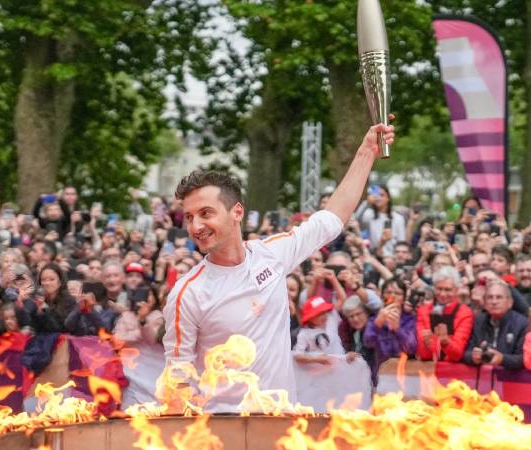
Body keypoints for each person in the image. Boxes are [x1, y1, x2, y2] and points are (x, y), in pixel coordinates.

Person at [161, 122, 395, 410]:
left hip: (281, 425)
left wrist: (366, 152)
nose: (196, 226)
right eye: (189, 217)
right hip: (220, 430)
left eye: (206, 213)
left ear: (237, 212)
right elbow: (177, 378)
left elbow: (332, 218)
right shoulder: (188, 292)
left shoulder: (271, 255)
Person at [463, 280, 527, 370]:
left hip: (510, 380)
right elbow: (464, 353)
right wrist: (472, 357)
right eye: (490, 297)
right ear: (484, 303)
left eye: (499, 297)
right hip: (482, 379)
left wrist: (502, 359)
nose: (494, 301)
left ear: (510, 302)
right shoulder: (478, 320)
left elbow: (524, 359)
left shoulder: (522, 323)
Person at [363, 278, 416, 382]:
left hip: (405, 375)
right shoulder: (375, 318)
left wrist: (398, 330)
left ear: (404, 298)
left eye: (398, 293)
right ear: (382, 296)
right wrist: (377, 324)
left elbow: (411, 348)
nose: (393, 296)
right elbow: (368, 342)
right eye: (388, 292)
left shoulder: (410, 319)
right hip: (381, 374)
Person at [416, 266, 474, 362]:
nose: (442, 294)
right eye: (439, 289)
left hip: (453, 369)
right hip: (428, 368)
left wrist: (445, 342)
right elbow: (423, 354)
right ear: (434, 288)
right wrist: (428, 343)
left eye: (447, 290)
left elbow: (457, 354)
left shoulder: (465, 313)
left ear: (456, 290)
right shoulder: (423, 311)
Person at [292, 296, 344, 365]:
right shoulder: (304, 334)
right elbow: (297, 356)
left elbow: (343, 299)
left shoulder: (332, 319)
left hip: (341, 366)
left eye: (324, 312)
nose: (324, 316)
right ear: (310, 318)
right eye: (319, 314)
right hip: (320, 371)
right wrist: (316, 359)